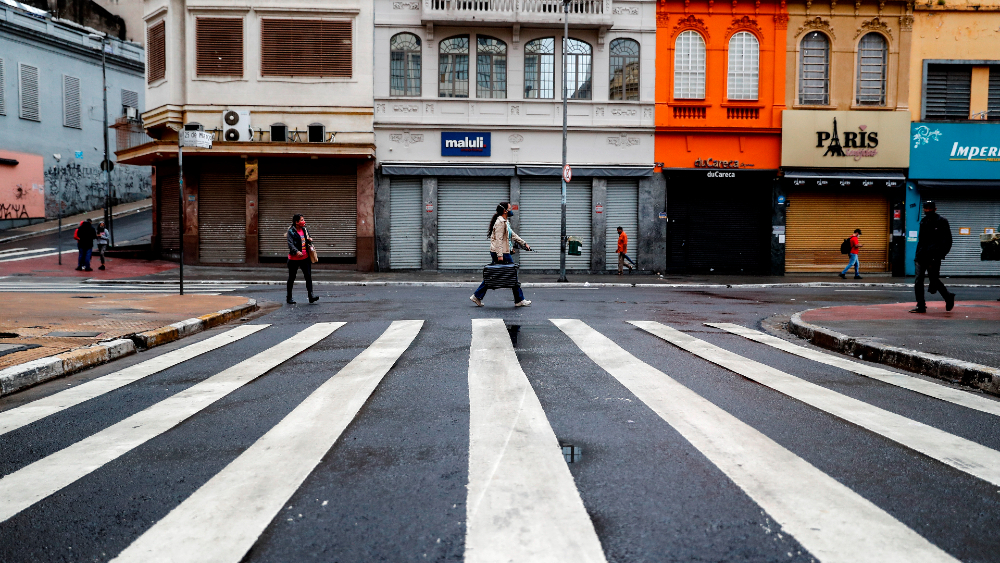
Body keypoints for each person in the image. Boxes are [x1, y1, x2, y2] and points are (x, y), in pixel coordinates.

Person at [470, 202, 532, 307]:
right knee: (512, 274)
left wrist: (524, 243)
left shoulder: (505, 222)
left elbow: (512, 235)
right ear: (505, 210)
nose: (511, 210)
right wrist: (500, 255)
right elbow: (498, 240)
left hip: (503, 252)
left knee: (494, 275)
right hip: (501, 252)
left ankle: (477, 296)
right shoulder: (499, 222)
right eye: (510, 208)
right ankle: (519, 299)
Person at [911, 201, 956, 313]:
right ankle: (921, 305)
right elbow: (921, 240)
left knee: (934, 280)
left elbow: (948, 241)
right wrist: (917, 255)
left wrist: (940, 254)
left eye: (930, 208)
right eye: (926, 208)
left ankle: (948, 296)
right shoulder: (923, 221)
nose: (928, 210)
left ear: (935, 209)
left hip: (933, 257)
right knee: (918, 280)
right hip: (921, 256)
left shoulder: (942, 221)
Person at [286, 214, 319, 305]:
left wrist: (309, 240)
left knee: (308, 277)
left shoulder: (304, 230)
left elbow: (305, 241)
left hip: (305, 258)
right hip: (294, 259)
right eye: (302, 220)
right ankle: (289, 297)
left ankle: (311, 296)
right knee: (292, 278)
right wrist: (296, 251)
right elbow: (290, 244)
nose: (303, 221)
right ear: (296, 222)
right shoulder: (291, 232)